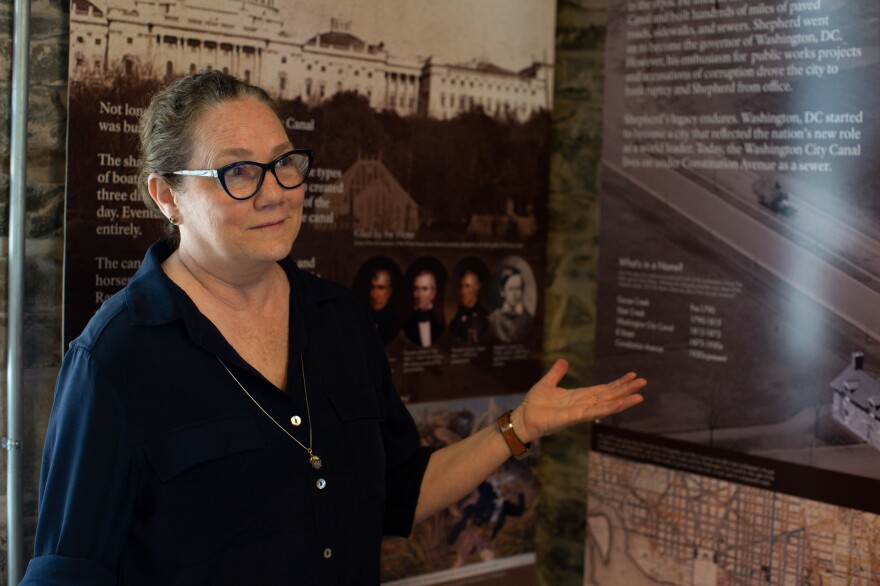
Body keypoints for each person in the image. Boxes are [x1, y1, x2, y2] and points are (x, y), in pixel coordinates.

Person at [22, 71, 646, 585]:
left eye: (284, 163)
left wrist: (520, 428)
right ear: (167, 196)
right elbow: (70, 572)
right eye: (237, 172)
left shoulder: (339, 318)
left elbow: (399, 492)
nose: (276, 193)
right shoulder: (116, 358)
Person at [489, 267, 534, 342]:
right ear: (502, 292)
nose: (515, 294)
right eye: (511, 289)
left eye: (518, 289)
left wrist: (521, 316)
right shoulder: (493, 318)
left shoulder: (527, 319)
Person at [402, 269, 445, 347]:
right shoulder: (405, 327)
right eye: (416, 289)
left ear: (433, 293)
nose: (419, 295)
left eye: (424, 289)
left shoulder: (442, 326)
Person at [449, 270, 489, 344]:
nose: (463, 291)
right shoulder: (457, 319)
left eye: (467, 286)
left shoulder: (484, 317)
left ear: (477, 288)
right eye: (461, 286)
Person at [367, 267, 398, 345]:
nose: (375, 294)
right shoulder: (363, 318)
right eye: (372, 287)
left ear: (389, 292)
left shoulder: (395, 322)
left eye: (381, 288)